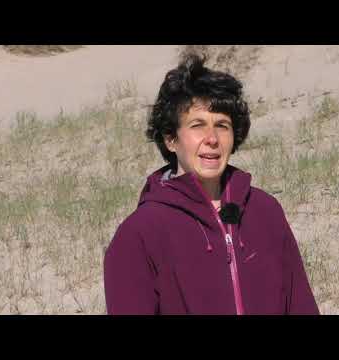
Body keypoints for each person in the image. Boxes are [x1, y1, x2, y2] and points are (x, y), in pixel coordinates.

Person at [103, 53, 319, 315]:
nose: (212, 138)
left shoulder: (265, 211)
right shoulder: (139, 234)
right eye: (197, 125)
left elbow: (300, 305)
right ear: (171, 139)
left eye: (222, 125)